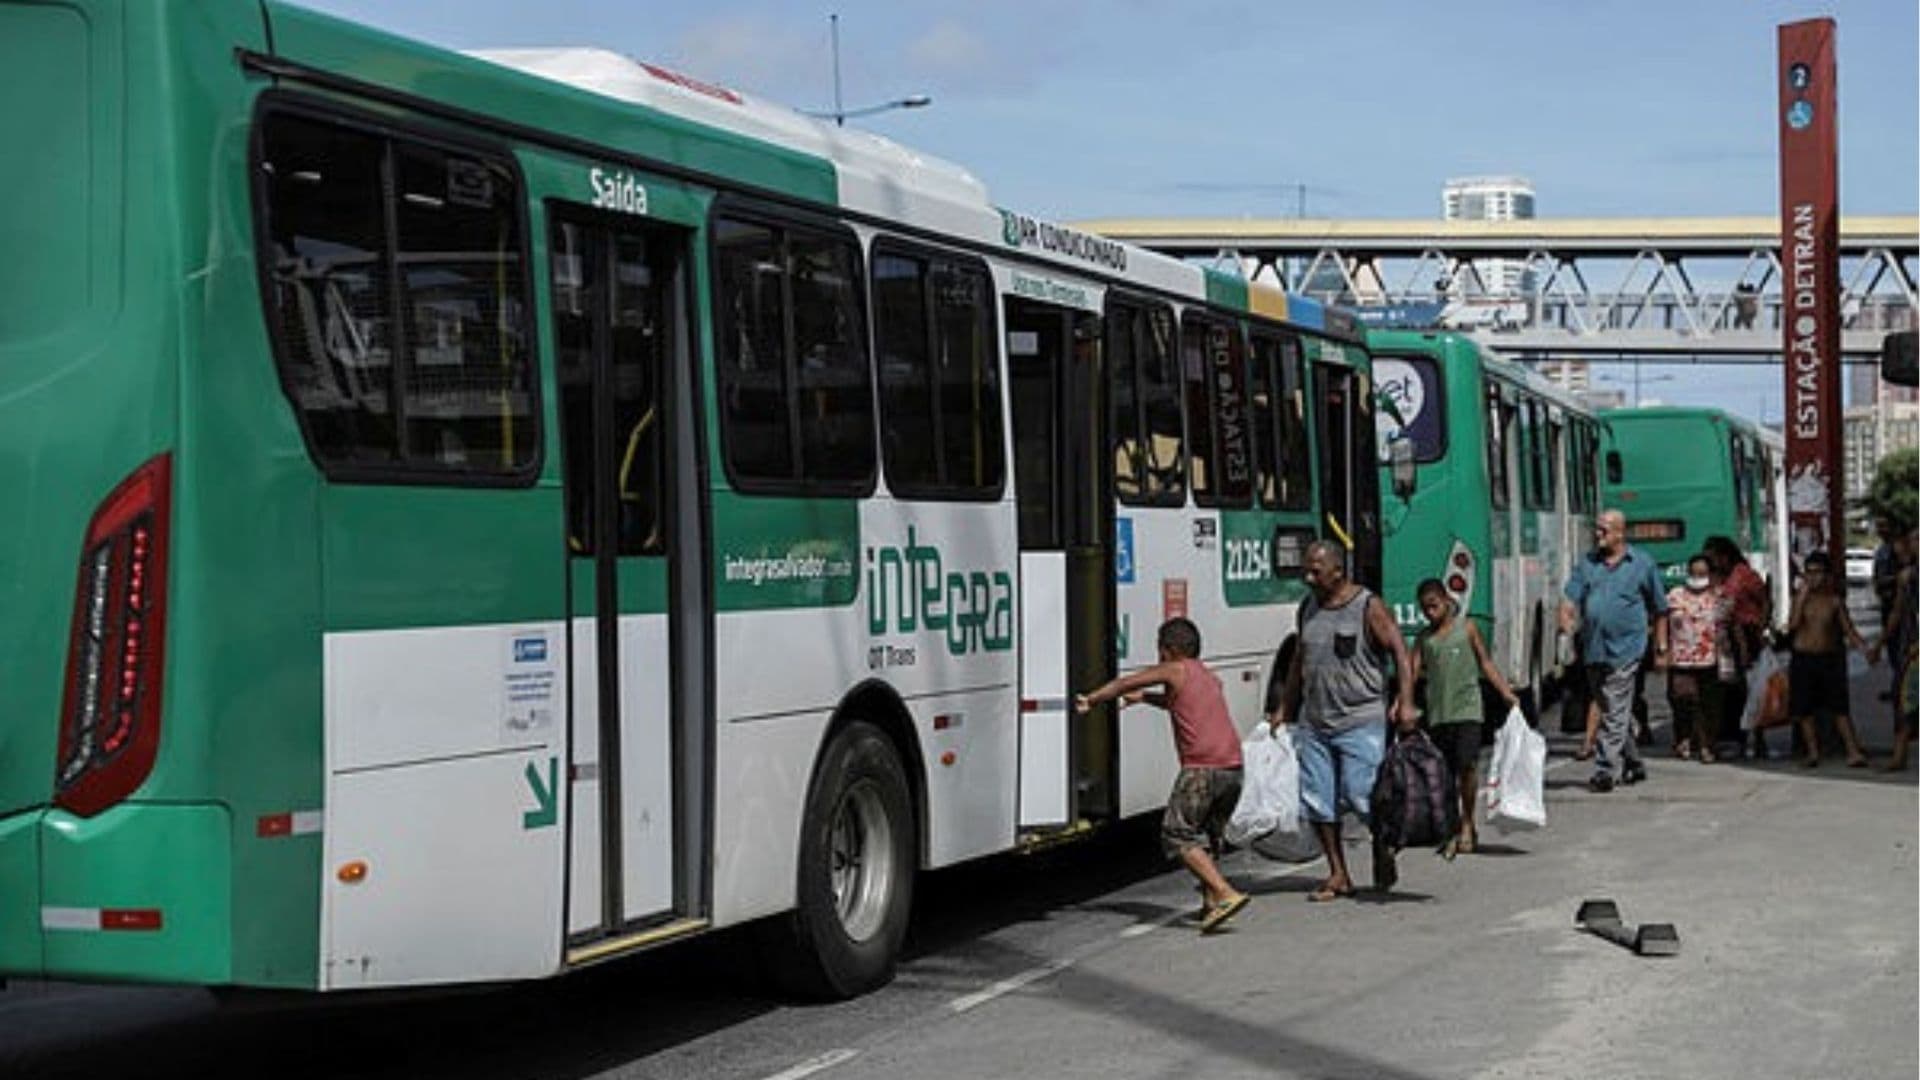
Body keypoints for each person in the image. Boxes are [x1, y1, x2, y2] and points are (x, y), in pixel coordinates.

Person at [1076, 617, 1249, 933]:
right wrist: (1145, 700)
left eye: (1159, 651)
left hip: (1203, 769)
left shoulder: (1175, 669)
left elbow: (1127, 682)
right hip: (1234, 768)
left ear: (1169, 650)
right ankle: (1210, 904)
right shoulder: (1208, 676)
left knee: (1176, 833)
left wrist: (1093, 698)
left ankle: (1224, 893)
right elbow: (1177, 703)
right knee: (1206, 836)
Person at [1267, 540, 1415, 901]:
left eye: (1316, 571)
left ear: (1337, 570)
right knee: (1319, 801)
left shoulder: (1368, 606)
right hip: (1315, 721)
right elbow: (1298, 660)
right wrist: (1285, 707)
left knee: (1361, 794)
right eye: (1306, 569)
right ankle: (1338, 873)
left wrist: (1405, 700)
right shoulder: (1308, 608)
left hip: (1361, 719)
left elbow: (1399, 649)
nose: (1308, 577)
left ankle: (1383, 845)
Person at [1408, 578, 1519, 857]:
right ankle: (1452, 827)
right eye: (1425, 609)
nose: (1430, 613)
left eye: (1434, 606)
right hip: (1438, 713)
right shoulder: (1424, 639)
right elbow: (1410, 673)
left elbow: (1485, 662)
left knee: (1467, 765)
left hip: (1467, 708)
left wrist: (1505, 692)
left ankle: (1468, 822)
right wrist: (1402, 702)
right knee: (1443, 775)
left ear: (1446, 601)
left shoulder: (1467, 628)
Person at [1560, 509, 1669, 793]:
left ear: (1620, 533)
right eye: (1597, 529)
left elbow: (1660, 608)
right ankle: (1633, 761)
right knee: (1611, 709)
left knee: (1616, 706)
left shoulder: (1641, 564)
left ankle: (1605, 770)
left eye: (1604, 530)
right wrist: (1566, 615)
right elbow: (1571, 595)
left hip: (1627, 648)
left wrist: (1661, 645)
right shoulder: (1588, 564)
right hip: (1594, 648)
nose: (1598, 535)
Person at [1782, 552, 1874, 768]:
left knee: (1839, 707)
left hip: (1828, 658)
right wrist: (1802, 599)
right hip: (1803, 657)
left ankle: (1852, 750)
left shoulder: (1834, 601)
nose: (1814, 578)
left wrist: (1865, 648)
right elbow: (1793, 625)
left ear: (1827, 575)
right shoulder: (1800, 599)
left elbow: (1848, 630)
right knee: (1804, 709)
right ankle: (1812, 751)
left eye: (1818, 573)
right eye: (1810, 573)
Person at [1705, 535, 1772, 760]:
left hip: (1746, 635)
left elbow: (1764, 600)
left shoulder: (1744, 575)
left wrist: (1762, 627)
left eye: (1714, 558)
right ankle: (1733, 737)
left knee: (1752, 689)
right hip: (1725, 638)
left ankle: (1756, 737)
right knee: (1729, 690)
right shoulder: (1717, 578)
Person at [1665, 553, 1730, 763]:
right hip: (1681, 658)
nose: (1697, 577)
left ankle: (1706, 745)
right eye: (1693, 573)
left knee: (1708, 705)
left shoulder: (1719, 596)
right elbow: (1662, 621)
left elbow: (1728, 627)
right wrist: (1661, 649)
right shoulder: (1675, 595)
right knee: (1683, 700)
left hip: (1710, 659)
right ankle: (1683, 738)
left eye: (1702, 573)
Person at [1878, 528, 1918, 771]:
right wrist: (1880, 642)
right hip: (1910, 648)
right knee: (1903, 700)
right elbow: (1897, 612)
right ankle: (1899, 755)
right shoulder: (1907, 577)